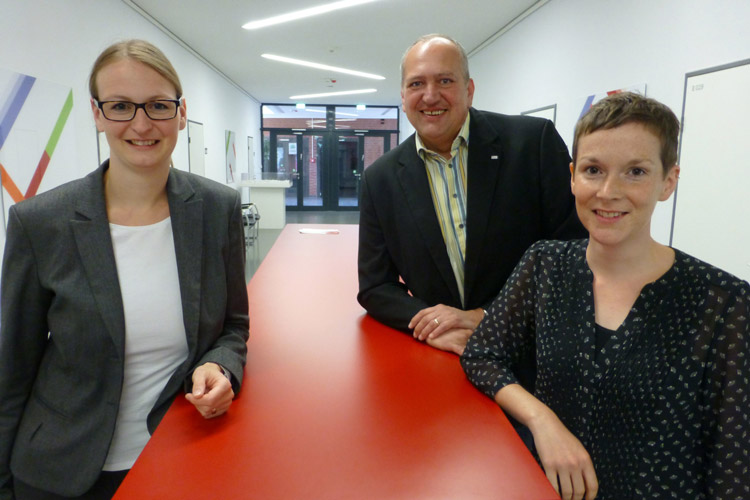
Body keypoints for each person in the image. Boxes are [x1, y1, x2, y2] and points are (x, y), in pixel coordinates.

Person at [461, 92, 749, 499]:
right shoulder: (545, 265)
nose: (608, 191)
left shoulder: (723, 303)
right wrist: (543, 421)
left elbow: (733, 464)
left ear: (668, 181)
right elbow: (482, 355)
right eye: (594, 170)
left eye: (635, 171)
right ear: (573, 176)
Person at [0, 40, 250, 500]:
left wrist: (221, 363)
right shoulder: (40, 223)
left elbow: (234, 325)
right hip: (59, 470)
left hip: (178, 457)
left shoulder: (217, 208)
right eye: (120, 106)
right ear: (96, 114)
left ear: (180, 113)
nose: (141, 124)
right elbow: (11, 370)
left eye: (158, 105)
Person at [357, 34, 586, 356]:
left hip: (536, 348)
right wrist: (430, 325)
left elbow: (573, 252)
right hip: (446, 354)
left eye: (445, 80)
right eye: (416, 84)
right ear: (403, 96)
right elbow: (375, 287)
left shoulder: (532, 144)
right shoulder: (379, 179)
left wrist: (486, 315)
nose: (430, 96)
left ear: (469, 90)